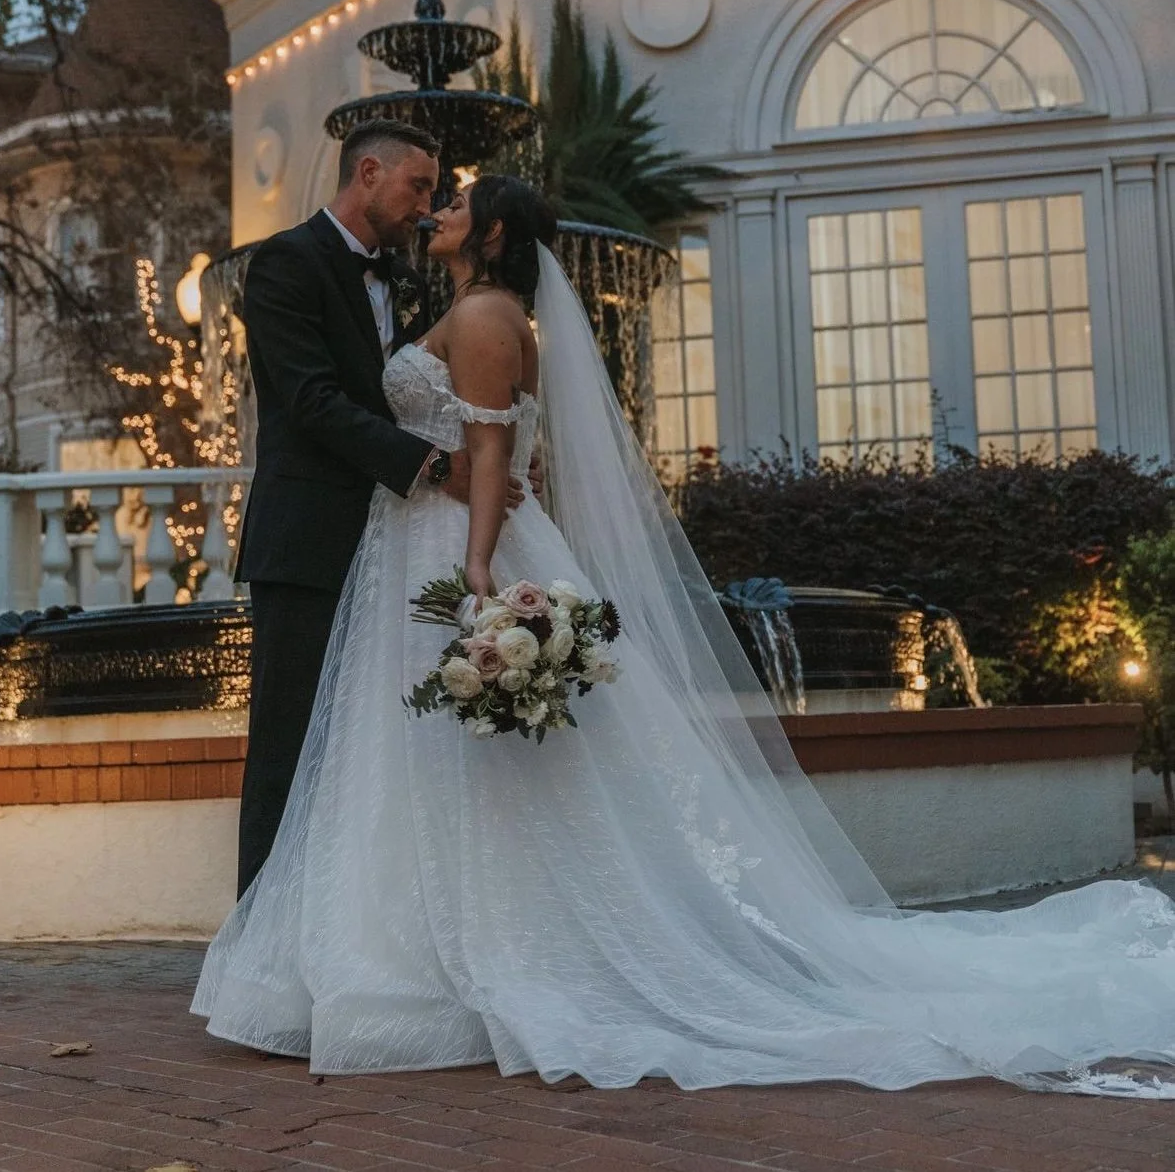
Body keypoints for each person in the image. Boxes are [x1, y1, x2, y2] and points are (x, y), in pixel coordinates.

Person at [196, 174, 1175, 1097]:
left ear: (492, 235)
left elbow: (490, 449)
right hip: (416, 543)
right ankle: (400, 948)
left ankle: (474, 955)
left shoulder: (491, 316)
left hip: (460, 542)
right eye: (433, 193)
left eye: (457, 203)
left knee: (469, 766)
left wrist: (484, 567)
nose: (440, 207)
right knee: (407, 761)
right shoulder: (463, 307)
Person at [232, 119, 526, 895]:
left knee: (365, 751)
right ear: (368, 173)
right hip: (306, 543)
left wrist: (488, 468)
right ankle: (262, 944)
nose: (427, 207)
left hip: (387, 544)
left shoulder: (406, 279)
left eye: (436, 193)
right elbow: (310, 402)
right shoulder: (284, 264)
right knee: (288, 748)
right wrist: (438, 467)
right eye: (418, 187)